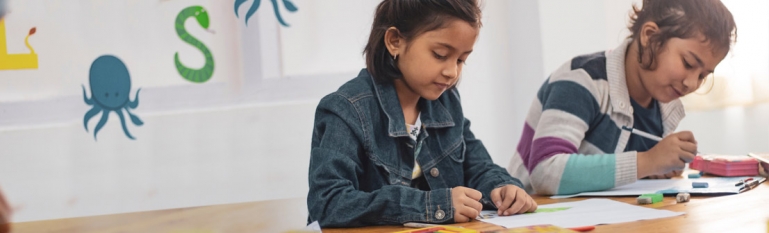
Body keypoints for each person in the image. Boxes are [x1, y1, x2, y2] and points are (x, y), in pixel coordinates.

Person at [307, 0, 536, 227]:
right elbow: (327, 202)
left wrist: (503, 188)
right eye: (440, 54)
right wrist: (432, 205)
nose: (452, 72)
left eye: (461, 60)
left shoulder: (446, 101)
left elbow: (476, 166)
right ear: (394, 41)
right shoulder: (346, 109)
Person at [507, 0, 737, 195]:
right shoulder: (581, 80)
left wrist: (654, 170)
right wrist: (648, 162)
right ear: (649, 36)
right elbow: (545, 170)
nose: (691, 83)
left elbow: (617, 174)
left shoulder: (663, 107)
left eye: (703, 76)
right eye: (688, 63)